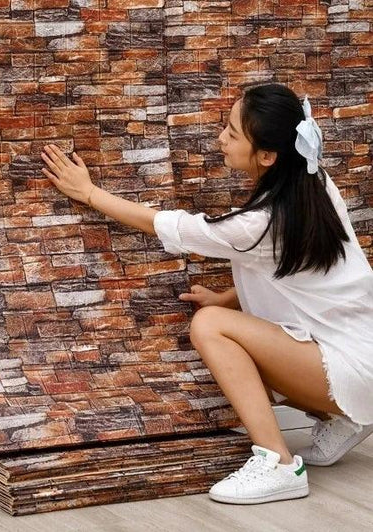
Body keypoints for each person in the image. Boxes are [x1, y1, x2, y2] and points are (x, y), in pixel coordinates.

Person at [40, 82, 373, 505]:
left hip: (352, 366)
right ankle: (344, 417)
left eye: (233, 133)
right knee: (231, 322)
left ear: (268, 156)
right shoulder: (313, 182)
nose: (221, 138)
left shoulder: (260, 222)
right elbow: (295, 272)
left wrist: (89, 193)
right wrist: (228, 298)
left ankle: (279, 463)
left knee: (211, 328)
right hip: (361, 353)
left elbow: (172, 226)